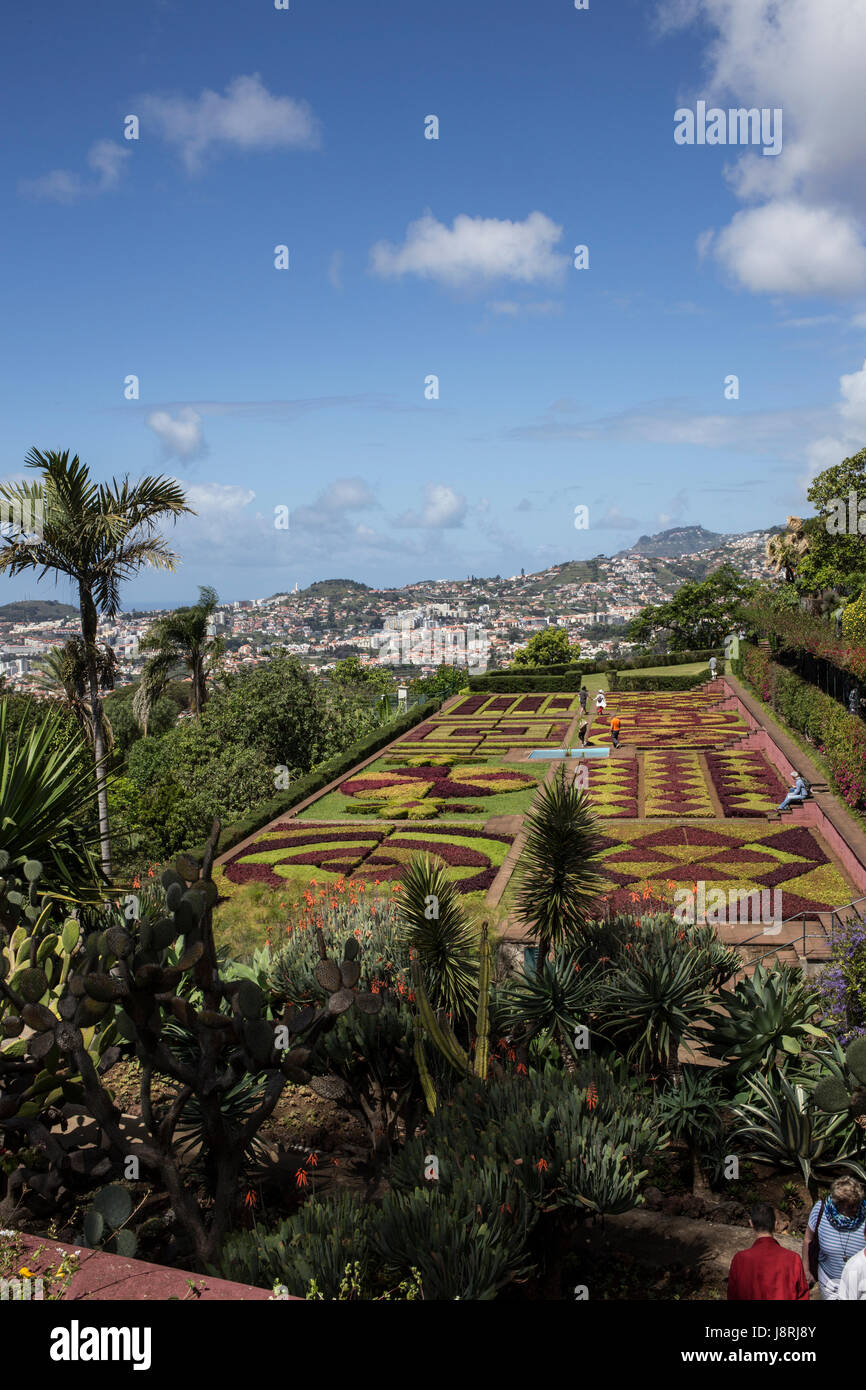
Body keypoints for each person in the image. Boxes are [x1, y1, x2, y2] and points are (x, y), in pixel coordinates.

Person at [728, 1203, 810, 1301]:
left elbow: (732, 1295)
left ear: (751, 1224)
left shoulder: (740, 1260)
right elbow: (803, 1295)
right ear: (775, 1225)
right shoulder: (793, 1259)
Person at [802, 1177, 866, 1300]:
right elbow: (807, 1240)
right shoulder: (820, 1210)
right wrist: (806, 1270)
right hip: (829, 1282)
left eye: (857, 1204)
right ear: (838, 1203)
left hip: (859, 1282)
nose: (855, 1209)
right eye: (850, 1206)